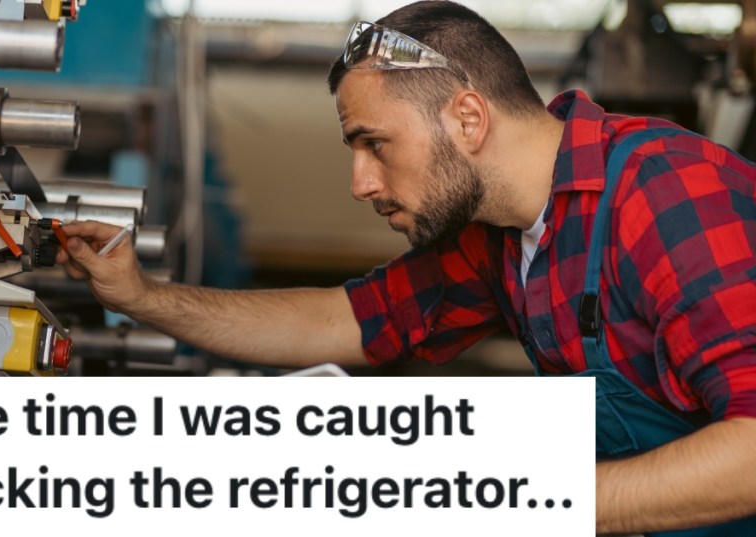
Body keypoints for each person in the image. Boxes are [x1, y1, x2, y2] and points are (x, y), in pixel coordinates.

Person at [54, 1, 756, 534]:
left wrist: (518, 495)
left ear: (469, 120)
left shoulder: (665, 195)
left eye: (374, 144)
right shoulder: (499, 236)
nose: (360, 182)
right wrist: (143, 296)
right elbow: (340, 320)